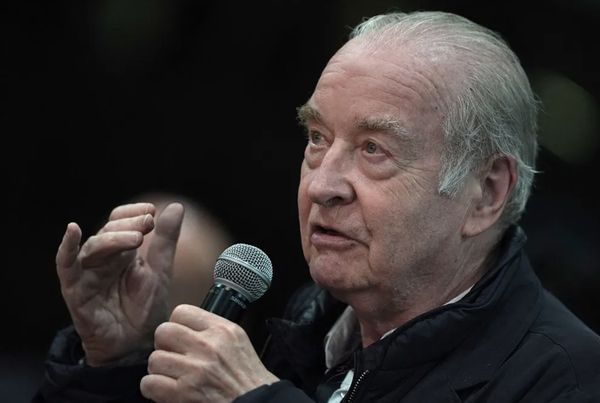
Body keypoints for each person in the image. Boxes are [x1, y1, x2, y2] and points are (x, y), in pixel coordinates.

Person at [34, 11, 600, 403]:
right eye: (317, 138)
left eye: (375, 150)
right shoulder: (307, 327)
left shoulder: (568, 380)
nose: (322, 185)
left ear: (486, 193)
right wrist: (110, 368)